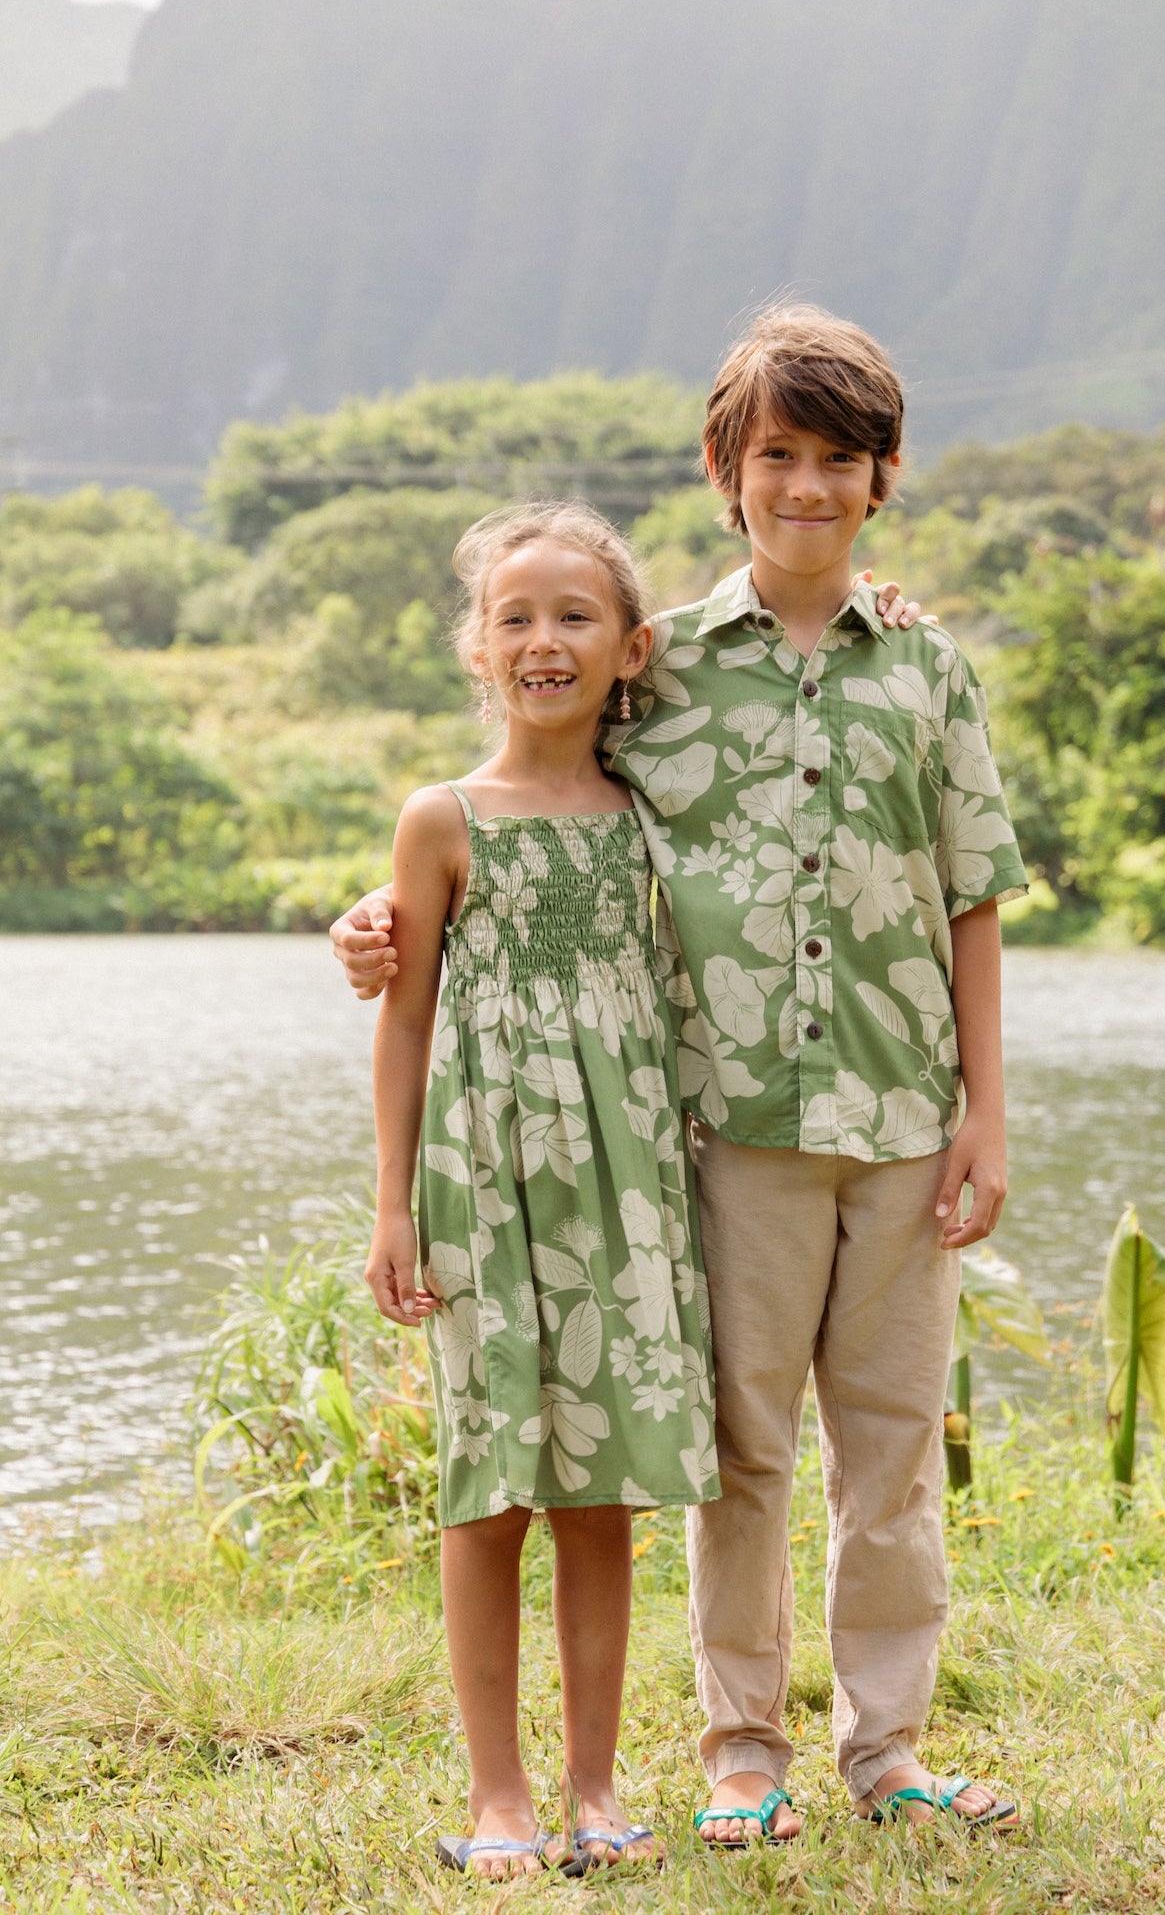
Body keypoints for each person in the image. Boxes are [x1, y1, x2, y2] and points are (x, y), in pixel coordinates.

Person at [337, 306, 1028, 1848]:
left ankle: (889, 1749)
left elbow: (972, 896)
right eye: (777, 456)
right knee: (743, 1452)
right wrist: (385, 913)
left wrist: (988, 1111)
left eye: (839, 459)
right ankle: (742, 1754)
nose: (807, 486)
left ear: (884, 476)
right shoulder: (665, 671)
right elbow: (535, 780)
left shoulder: (928, 668)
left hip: (906, 1114)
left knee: (893, 1454)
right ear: (728, 474)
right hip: (734, 1121)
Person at [365, 501, 718, 1882]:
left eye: (575, 616)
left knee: (600, 1489)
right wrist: (392, 1206)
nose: (543, 640)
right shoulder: (441, 820)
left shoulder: (652, 814)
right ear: (478, 647)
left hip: (625, 1189)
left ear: (632, 648)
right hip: (483, 1182)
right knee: (488, 1482)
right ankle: (499, 1796)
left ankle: (595, 1789)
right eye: (513, 617)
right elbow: (404, 1017)